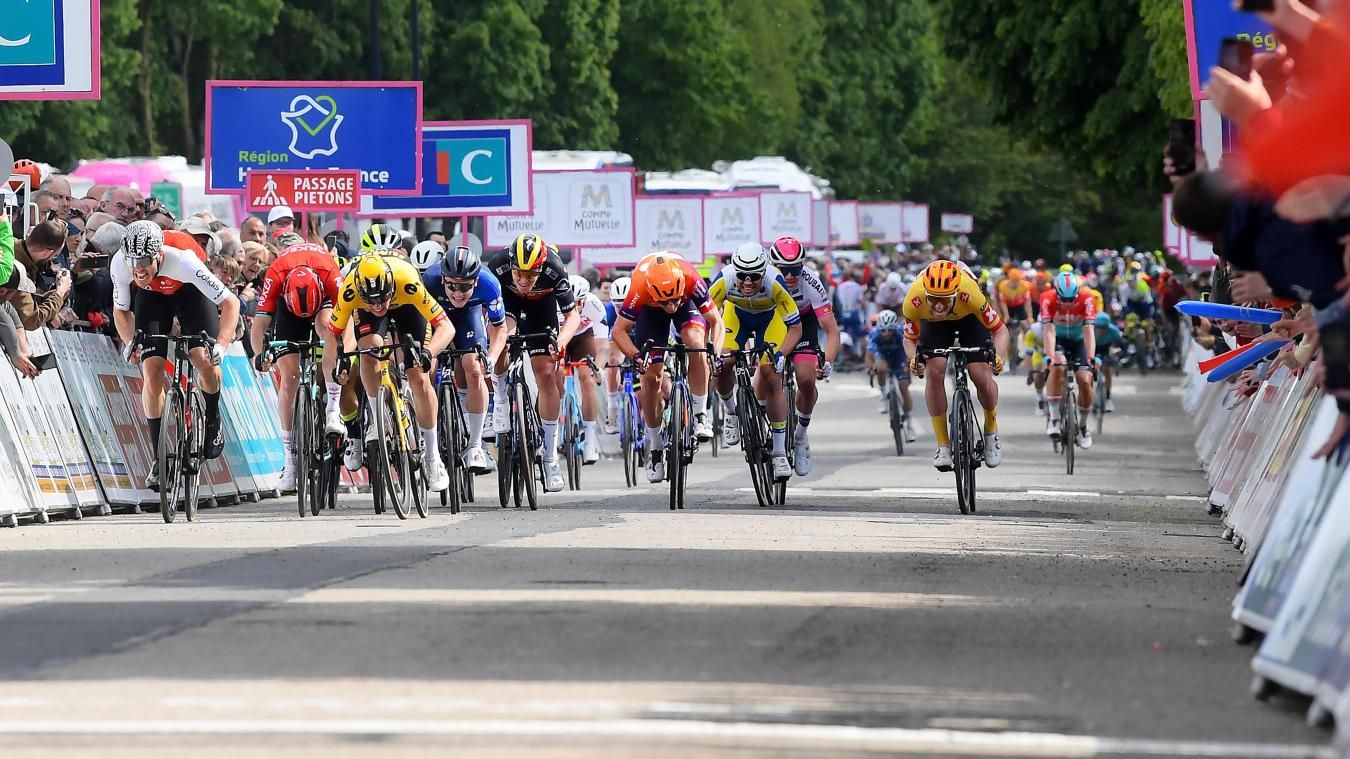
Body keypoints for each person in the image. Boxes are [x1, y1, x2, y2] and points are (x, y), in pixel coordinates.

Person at [112, 221, 241, 489]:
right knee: (152, 370)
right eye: (132, 260)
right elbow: (121, 310)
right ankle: (159, 459)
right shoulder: (121, 265)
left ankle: (213, 417)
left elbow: (231, 303)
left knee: (201, 357)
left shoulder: (183, 260)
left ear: (159, 254)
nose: (138, 267)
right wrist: (129, 342)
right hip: (152, 297)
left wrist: (222, 344)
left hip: (190, 290)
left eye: (145, 260)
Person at [328, 251, 455, 492]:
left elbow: (446, 327)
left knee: (418, 375)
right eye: (371, 301)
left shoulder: (408, 281)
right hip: (370, 319)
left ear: (390, 286)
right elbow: (334, 334)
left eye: (382, 299)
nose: (377, 306)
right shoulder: (350, 290)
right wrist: (342, 361)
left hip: (408, 307)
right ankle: (378, 416)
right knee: (369, 348)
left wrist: (429, 352)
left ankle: (432, 455)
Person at [609, 252, 724, 484]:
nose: (670, 307)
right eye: (665, 301)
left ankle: (701, 414)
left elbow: (716, 322)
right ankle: (656, 449)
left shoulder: (690, 277)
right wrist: (636, 355)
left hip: (687, 305)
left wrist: (716, 353)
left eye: (673, 300)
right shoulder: (639, 286)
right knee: (651, 377)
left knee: (696, 343)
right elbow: (618, 331)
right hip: (649, 313)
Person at [483, 233, 581, 493]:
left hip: (542, 308)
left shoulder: (555, 268)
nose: (524, 281)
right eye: (519, 274)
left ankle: (550, 457)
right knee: (503, 338)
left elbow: (572, 316)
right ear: (511, 264)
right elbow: (484, 308)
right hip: (508, 303)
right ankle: (502, 402)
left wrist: (560, 341)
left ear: (541, 268)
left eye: (531, 275)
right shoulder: (499, 263)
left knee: (547, 374)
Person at [250, 242, 347, 492]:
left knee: (327, 327)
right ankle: (290, 460)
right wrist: (259, 355)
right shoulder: (276, 274)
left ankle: (333, 410)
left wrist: (343, 354)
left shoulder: (329, 272)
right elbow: (259, 325)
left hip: (323, 301)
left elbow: (349, 318)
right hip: (288, 307)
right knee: (290, 377)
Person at [902, 259, 1008, 471]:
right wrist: (914, 359)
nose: (939, 305)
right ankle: (943, 445)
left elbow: (1000, 330)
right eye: (933, 299)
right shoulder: (914, 300)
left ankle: (991, 431)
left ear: (956, 293)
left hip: (969, 318)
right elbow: (909, 339)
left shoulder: (971, 293)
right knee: (934, 371)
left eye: (944, 299)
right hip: (934, 325)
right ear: (925, 293)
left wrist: (998, 358)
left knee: (980, 375)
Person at [709, 242, 803, 481]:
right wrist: (712, 350)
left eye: (754, 277)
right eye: (742, 276)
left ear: (764, 272)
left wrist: (781, 355)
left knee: (770, 373)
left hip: (769, 320)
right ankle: (731, 412)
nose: (747, 282)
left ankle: (780, 452)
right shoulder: (724, 280)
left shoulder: (776, 283)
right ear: (734, 271)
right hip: (736, 317)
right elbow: (706, 319)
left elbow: (795, 328)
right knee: (723, 364)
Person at [423, 245, 508, 473]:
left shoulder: (489, 284)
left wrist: (491, 357)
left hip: (468, 317)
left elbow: (500, 328)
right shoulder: (428, 280)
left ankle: (475, 445)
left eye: (465, 287)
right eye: (452, 286)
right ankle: (426, 434)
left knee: (473, 366)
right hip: (436, 318)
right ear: (443, 280)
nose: (458, 293)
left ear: (476, 282)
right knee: (427, 367)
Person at [768, 236, 841, 476]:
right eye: (784, 270)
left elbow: (831, 331)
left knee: (807, 379)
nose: (790, 276)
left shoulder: (811, 281)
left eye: (795, 270)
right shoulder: (764, 278)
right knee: (766, 372)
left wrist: (827, 361)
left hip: (803, 323)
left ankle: (800, 435)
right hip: (774, 321)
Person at [1040, 271, 1097, 449]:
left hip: (1079, 341)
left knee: (1084, 381)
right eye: (1063, 299)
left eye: (1071, 299)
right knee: (1058, 365)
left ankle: (1083, 426)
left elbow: (1088, 331)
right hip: (1058, 340)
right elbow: (1048, 331)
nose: (1067, 303)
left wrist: (1091, 357)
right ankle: (1055, 419)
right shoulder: (1047, 298)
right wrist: (1049, 356)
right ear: (1056, 292)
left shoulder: (1087, 298)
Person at [563, 274, 609, 465]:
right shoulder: (554, 302)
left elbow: (603, 346)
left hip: (583, 337)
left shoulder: (594, 304)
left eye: (580, 302)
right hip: (561, 336)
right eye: (572, 302)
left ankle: (590, 441)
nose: (577, 306)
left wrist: (597, 368)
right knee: (552, 378)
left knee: (587, 379)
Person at [865, 310, 916, 440]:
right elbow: (869, 356)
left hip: (900, 358)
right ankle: (883, 395)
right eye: (883, 330)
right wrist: (871, 368)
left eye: (889, 330)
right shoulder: (874, 334)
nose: (886, 333)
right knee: (880, 368)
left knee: (904, 387)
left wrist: (908, 365)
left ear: (894, 328)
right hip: (883, 357)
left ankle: (910, 425)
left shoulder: (900, 333)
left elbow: (909, 351)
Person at [603, 275, 633, 434]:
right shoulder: (607, 312)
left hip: (637, 337)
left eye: (626, 305)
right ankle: (612, 408)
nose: (622, 310)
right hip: (618, 338)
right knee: (613, 360)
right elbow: (603, 344)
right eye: (618, 305)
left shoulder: (642, 308)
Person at [1092, 313, 1124, 413]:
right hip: (1093, 348)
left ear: (1108, 326)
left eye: (1103, 328)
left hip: (1107, 348)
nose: (1101, 330)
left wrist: (1119, 356)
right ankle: (1090, 397)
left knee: (1108, 370)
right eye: (1098, 327)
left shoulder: (1114, 331)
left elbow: (1121, 345)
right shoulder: (1090, 330)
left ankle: (1108, 397)